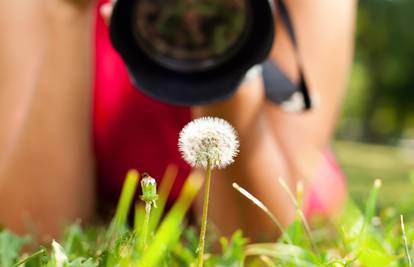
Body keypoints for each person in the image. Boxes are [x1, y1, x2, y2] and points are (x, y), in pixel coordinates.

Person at [0, 0, 356, 240]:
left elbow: (257, 246)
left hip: (271, 173)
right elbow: (33, 237)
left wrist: (226, 45)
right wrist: (66, 14)